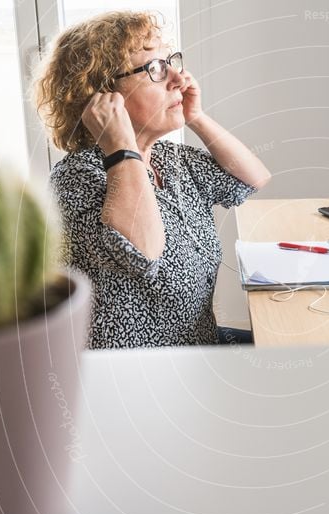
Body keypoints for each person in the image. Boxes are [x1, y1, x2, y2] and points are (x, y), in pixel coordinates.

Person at [34, 11, 270, 349]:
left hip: (198, 348)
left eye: (170, 62)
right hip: (141, 375)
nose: (179, 78)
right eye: (155, 69)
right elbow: (141, 252)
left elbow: (251, 179)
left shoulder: (168, 160)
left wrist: (196, 117)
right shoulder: (77, 178)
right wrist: (120, 144)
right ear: (103, 95)